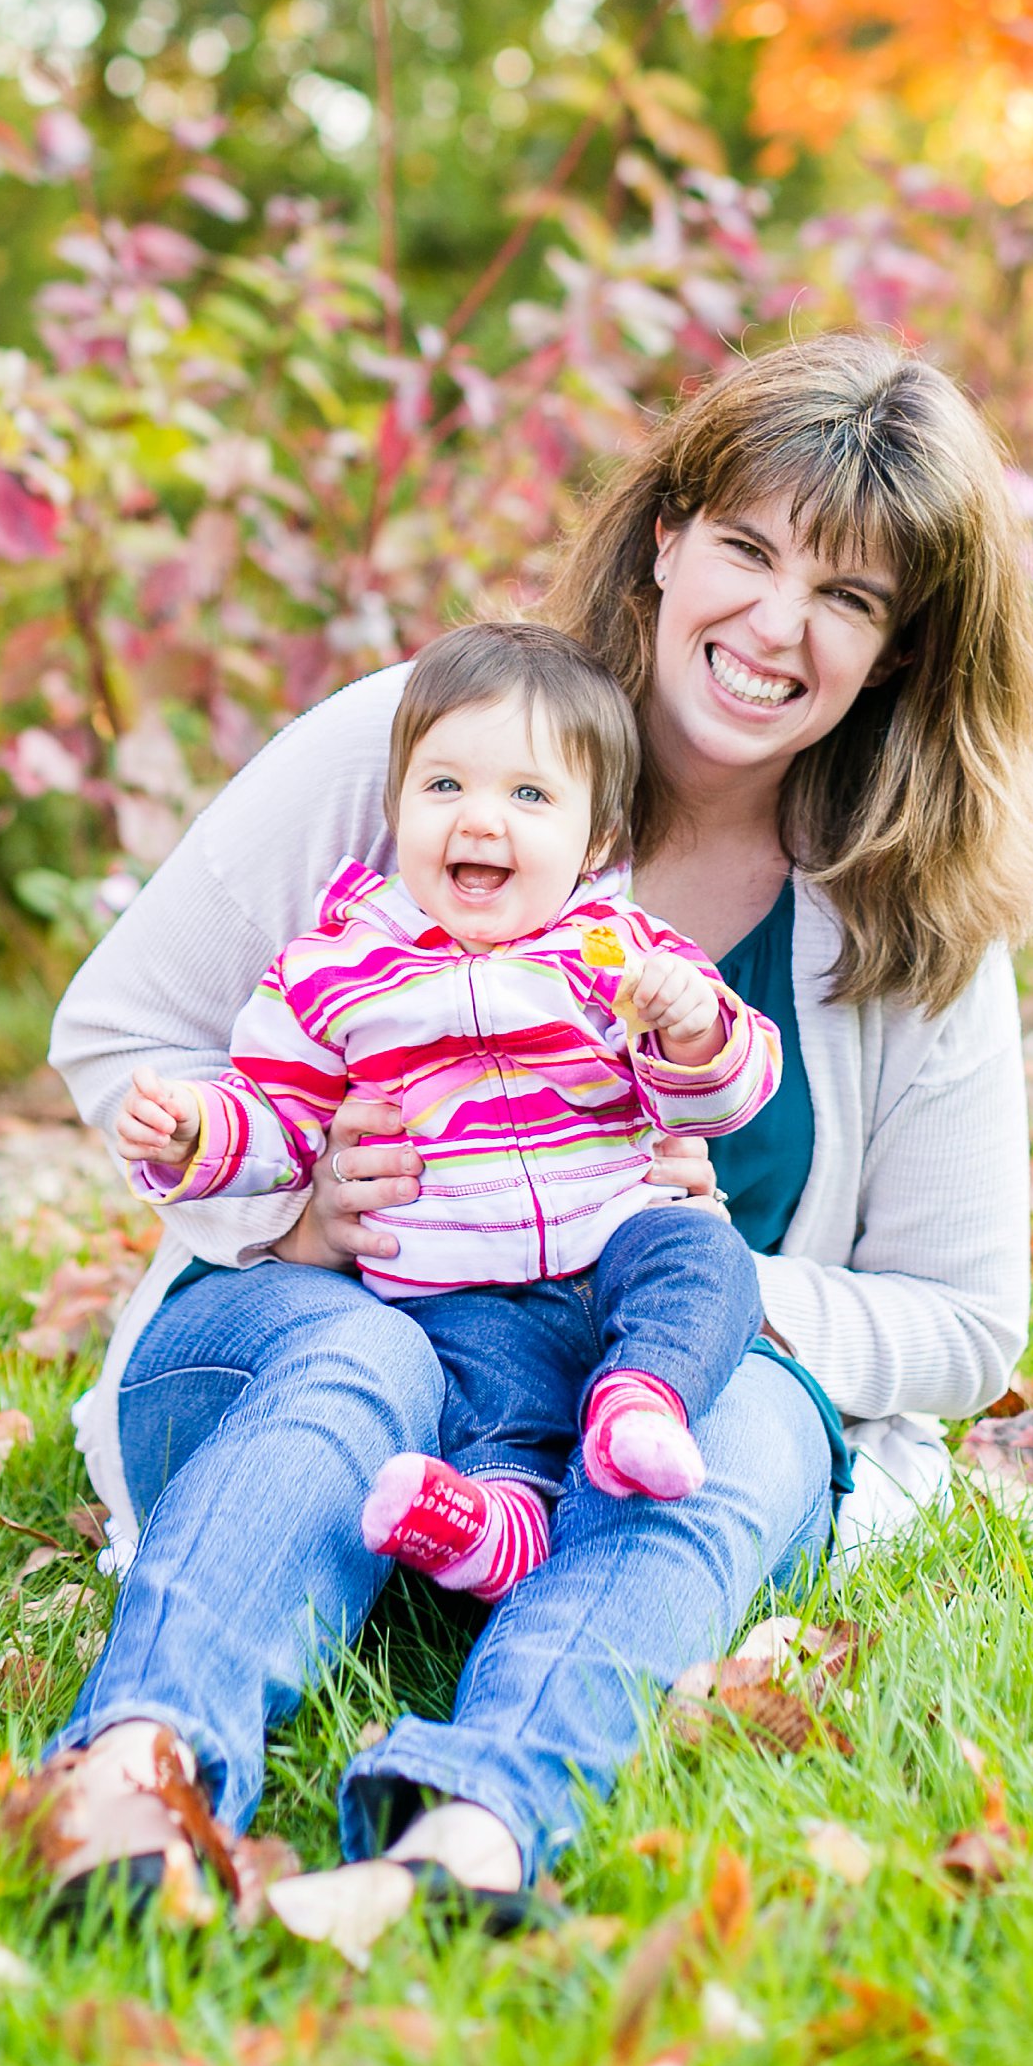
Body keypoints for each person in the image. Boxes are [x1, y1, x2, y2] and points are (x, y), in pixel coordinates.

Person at [35, 332, 1033, 1915]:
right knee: (360, 1352)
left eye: (850, 600)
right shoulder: (428, 745)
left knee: (754, 1416)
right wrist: (293, 1209)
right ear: (666, 538)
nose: (776, 627)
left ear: (903, 655)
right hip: (318, 1359)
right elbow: (120, 1030)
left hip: (619, 1454)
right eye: (747, 549)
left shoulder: (914, 909)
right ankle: (133, 1779)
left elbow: (966, 1322)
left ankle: (474, 1834)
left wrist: (699, 1282)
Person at [110, 621, 781, 1598]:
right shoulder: (338, 968)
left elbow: (723, 1094)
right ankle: (492, 1531)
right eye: (443, 786)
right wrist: (192, 1136)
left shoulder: (618, 951)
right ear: (395, 807)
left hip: (616, 1247)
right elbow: (279, 1116)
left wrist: (691, 1029)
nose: (479, 820)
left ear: (594, 836)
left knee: (709, 1260)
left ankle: (644, 1398)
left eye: (527, 795)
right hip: (456, 1290)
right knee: (493, 1408)